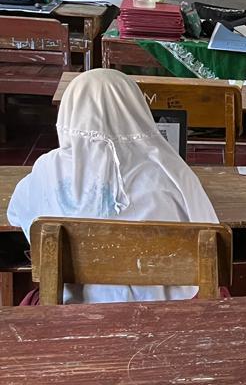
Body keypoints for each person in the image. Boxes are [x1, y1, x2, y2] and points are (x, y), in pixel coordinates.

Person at [6, 69, 219, 304]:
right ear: (136, 108)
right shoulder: (172, 172)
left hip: (74, 304)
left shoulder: (48, 169)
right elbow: (209, 231)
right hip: (163, 305)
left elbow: (17, 214)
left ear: (69, 113)